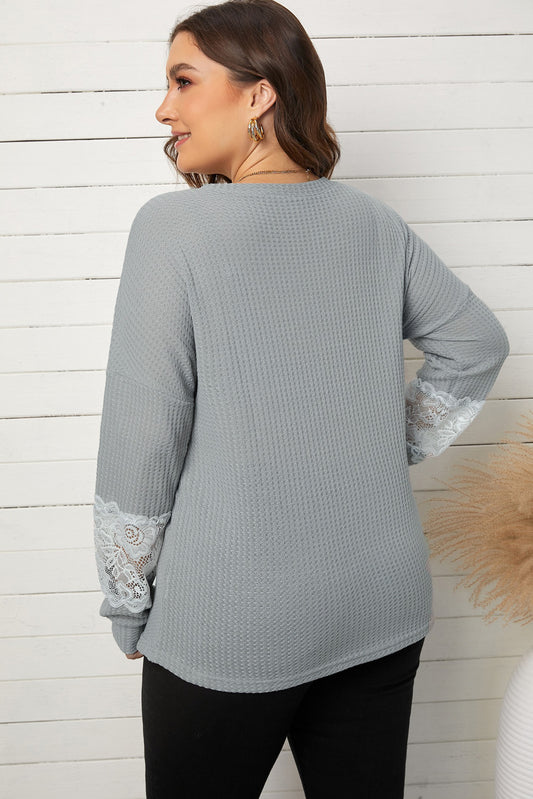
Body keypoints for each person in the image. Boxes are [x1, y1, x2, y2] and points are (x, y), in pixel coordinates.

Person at [92, 1, 510, 796]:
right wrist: (382, 443)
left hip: (233, 616)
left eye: (183, 81)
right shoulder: (372, 224)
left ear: (258, 94)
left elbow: (143, 437)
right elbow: (476, 342)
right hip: (380, 602)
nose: (164, 108)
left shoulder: (174, 228)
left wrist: (127, 600)